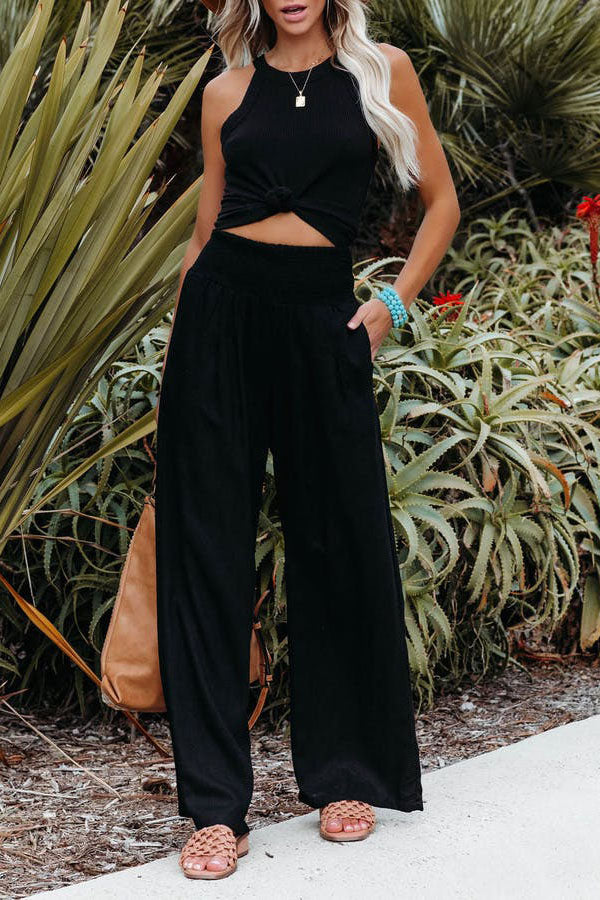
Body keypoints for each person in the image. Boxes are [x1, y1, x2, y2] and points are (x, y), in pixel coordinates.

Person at [154, 0, 460, 881]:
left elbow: (441, 203)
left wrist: (393, 303)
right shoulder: (227, 91)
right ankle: (216, 808)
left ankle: (346, 772)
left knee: (337, 540)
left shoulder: (382, 71)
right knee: (207, 553)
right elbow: (203, 232)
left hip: (324, 321)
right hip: (220, 319)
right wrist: (179, 359)